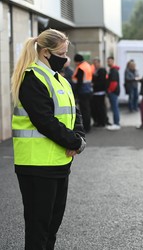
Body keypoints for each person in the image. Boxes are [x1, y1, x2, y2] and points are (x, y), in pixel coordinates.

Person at [10, 28, 86, 249]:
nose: (65, 58)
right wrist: (74, 142)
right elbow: (44, 120)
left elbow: (74, 112)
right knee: (38, 229)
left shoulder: (59, 79)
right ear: (45, 53)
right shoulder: (32, 78)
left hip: (59, 162)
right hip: (36, 164)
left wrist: (79, 137)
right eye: (61, 54)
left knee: (51, 227)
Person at [72, 54, 93, 133]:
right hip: (88, 90)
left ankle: (86, 127)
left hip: (83, 91)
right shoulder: (87, 65)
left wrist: (75, 93)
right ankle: (88, 125)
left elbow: (79, 82)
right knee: (87, 109)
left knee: (84, 110)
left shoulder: (81, 68)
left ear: (77, 61)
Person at [91, 57, 109, 127]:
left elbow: (101, 82)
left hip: (100, 92)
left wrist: (93, 85)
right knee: (97, 108)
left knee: (100, 108)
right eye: (93, 63)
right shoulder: (96, 70)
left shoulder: (102, 71)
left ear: (99, 63)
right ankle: (100, 121)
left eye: (95, 63)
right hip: (96, 92)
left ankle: (102, 121)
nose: (94, 65)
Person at [106, 56, 121, 130]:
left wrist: (109, 90)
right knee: (115, 107)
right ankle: (116, 123)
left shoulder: (113, 71)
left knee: (114, 108)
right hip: (114, 92)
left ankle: (116, 124)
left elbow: (114, 83)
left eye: (110, 61)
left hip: (113, 92)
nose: (108, 62)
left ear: (113, 61)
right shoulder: (112, 70)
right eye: (108, 61)